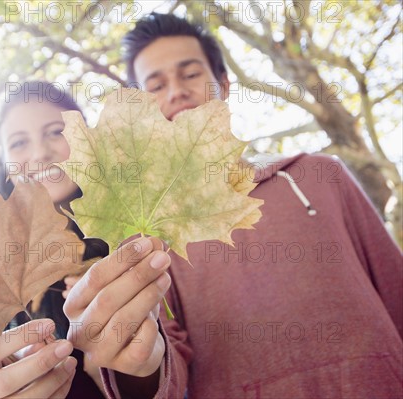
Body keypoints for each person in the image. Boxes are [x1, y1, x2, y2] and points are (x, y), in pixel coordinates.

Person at [62, 13, 403, 399]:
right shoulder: (148, 240)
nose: (176, 91)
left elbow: (395, 289)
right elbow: (165, 368)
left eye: (190, 74)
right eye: (155, 85)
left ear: (223, 84)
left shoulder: (319, 176)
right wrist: (139, 363)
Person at [0, 81, 110, 398]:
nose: (40, 153)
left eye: (56, 132)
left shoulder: (127, 244)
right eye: (18, 143)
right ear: (5, 166)